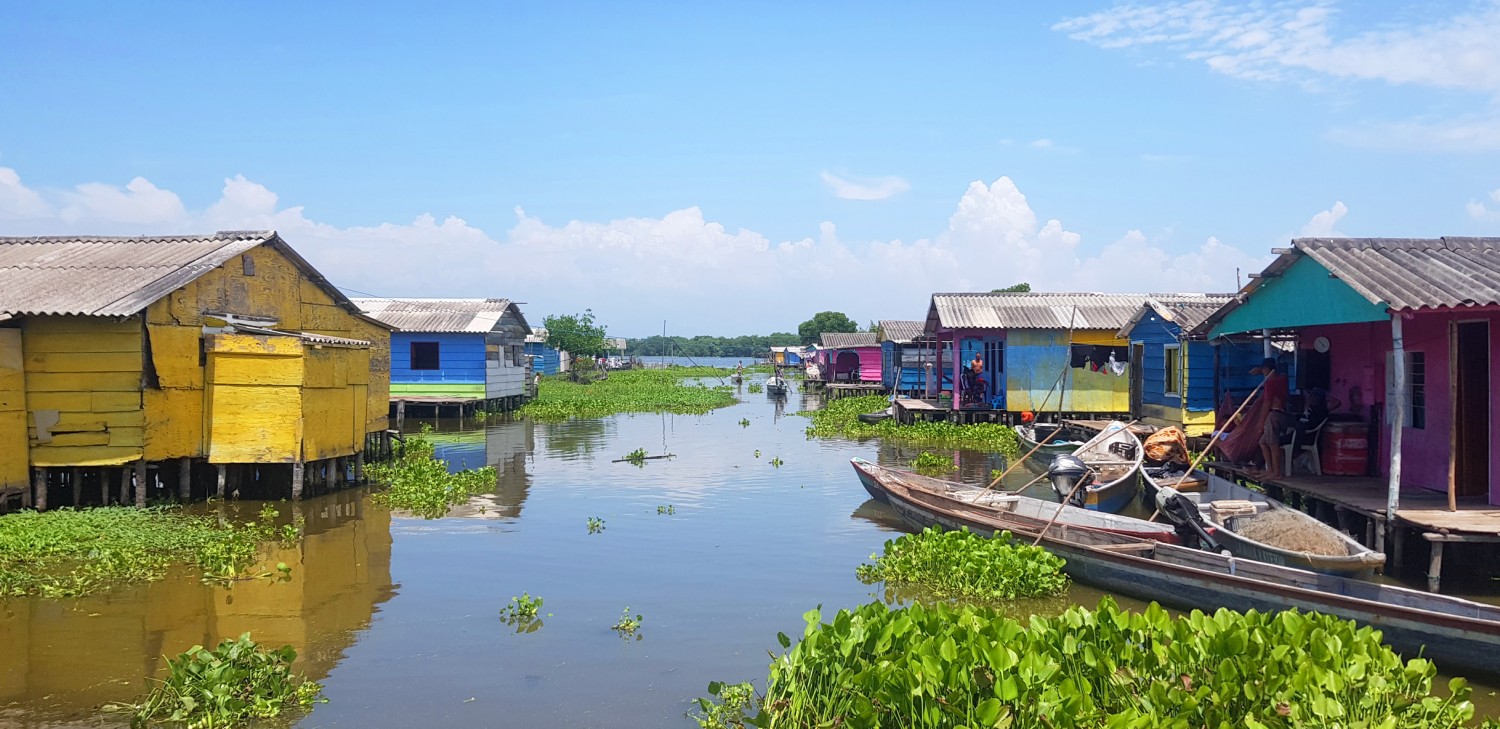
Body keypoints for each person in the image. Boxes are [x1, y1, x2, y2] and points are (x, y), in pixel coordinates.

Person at [1254, 357, 1291, 478]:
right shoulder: (1283, 380)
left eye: (1263, 370)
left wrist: (1261, 422)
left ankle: (1276, 472)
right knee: (1263, 442)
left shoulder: (1270, 383)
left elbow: (1267, 403)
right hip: (1282, 414)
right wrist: (1259, 371)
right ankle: (1270, 469)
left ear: (1267, 369)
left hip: (1274, 414)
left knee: (1272, 443)